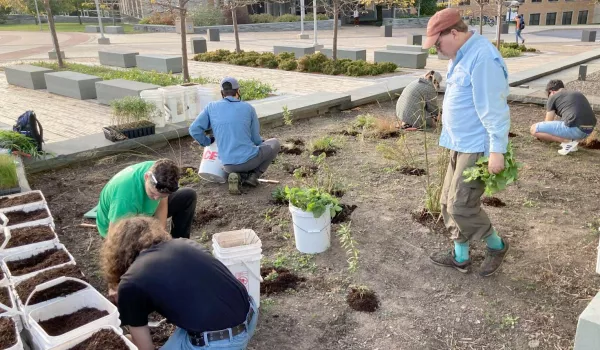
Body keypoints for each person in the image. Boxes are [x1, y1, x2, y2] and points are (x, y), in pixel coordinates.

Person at [423, 9, 510, 277]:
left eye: (439, 43)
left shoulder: (483, 58)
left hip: (476, 146)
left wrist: (497, 151)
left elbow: (494, 108)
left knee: (461, 204)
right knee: (447, 202)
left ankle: (496, 246)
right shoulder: (460, 56)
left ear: (454, 32)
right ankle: (461, 256)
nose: (437, 50)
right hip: (459, 142)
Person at [101, 217, 257, 350]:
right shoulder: (184, 243)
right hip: (249, 314)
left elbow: (145, 348)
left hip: (221, 341)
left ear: (119, 254)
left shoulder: (130, 282)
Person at [189, 77, 281, 195]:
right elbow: (256, 139)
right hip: (250, 161)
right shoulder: (248, 108)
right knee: (274, 143)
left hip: (226, 165)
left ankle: (237, 175)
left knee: (237, 161)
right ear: (238, 91)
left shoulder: (211, 107)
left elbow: (194, 129)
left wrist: (207, 141)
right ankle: (253, 176)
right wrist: (262, 145)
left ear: (222, 93)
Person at [96, 159, 197, 240]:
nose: (156, 198)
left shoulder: (160, 171)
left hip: (144, 212)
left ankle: (179, 244)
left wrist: (162, 237)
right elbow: (114, 236)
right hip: (120, 227)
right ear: (146, 177)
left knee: (188, 195)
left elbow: (161, 204)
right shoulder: (125, 197)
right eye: (153, 193)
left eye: (161, 196)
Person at [530, 79, 597, 155]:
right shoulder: (577, 93)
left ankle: (566, 141)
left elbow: (548, 121)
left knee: (534, 129)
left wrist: (542, 136)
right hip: (588, 130)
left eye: (548, 95)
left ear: (551, 92)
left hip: (575, 129)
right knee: (564, 123)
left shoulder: (553, 97)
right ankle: (573, 142)